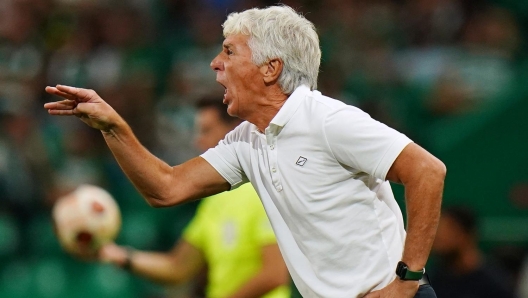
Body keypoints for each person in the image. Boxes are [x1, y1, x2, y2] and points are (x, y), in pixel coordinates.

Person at [44, 5, 446, 298]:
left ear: (270, 69)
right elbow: (165, 188)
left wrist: (406, 282)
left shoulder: (326, 119)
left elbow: (428, 171)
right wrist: (113, 127)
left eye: (230, 52)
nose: (216, 63)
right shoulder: (247, 140)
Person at [98, 98, 290, 298]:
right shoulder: (214, 201)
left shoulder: (263, 190)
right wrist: (119, 256)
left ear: (236, 131)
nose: (198, 141)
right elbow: (177, 268)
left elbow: (274, 274)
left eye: (206, 130)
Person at [430, 206, 516, 298]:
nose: (440, 237)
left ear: (469, 234)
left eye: (450, 229)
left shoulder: (496, 283)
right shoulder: (434, 280)